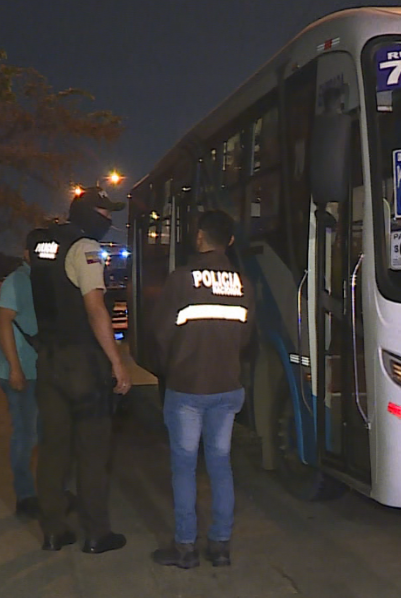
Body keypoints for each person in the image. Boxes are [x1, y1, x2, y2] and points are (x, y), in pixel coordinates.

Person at [29, 186, 132, 554]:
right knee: (92, 448)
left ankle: (53, 530)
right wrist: (118, 363)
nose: (108, 221)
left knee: (54, 448)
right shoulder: (86, 247)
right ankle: (96, 533)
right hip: (81, 364)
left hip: (49, 357)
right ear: (88, 214)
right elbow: (95, 310)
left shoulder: (44, 245)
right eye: (104, 214)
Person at [150, 210, 253, 569]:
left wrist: (172, 367)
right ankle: (221, 546)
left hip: (188, 388)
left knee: (184, 467)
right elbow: (247, 336)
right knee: (221, 465)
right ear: (230, 242)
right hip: (227, 387)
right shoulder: (242, 282)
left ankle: (185, 548)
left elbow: (161, 333)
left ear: (198, 238)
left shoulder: (182, 279)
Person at [0, 229, 45, 519]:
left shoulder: (39, 279)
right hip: (20, 370)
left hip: (37, 368)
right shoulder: (18, 280)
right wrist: (14, 368)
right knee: (26, 435)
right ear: (26, 253)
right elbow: (3, 321)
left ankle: (42, 491)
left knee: (39, 433)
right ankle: (25, 497)